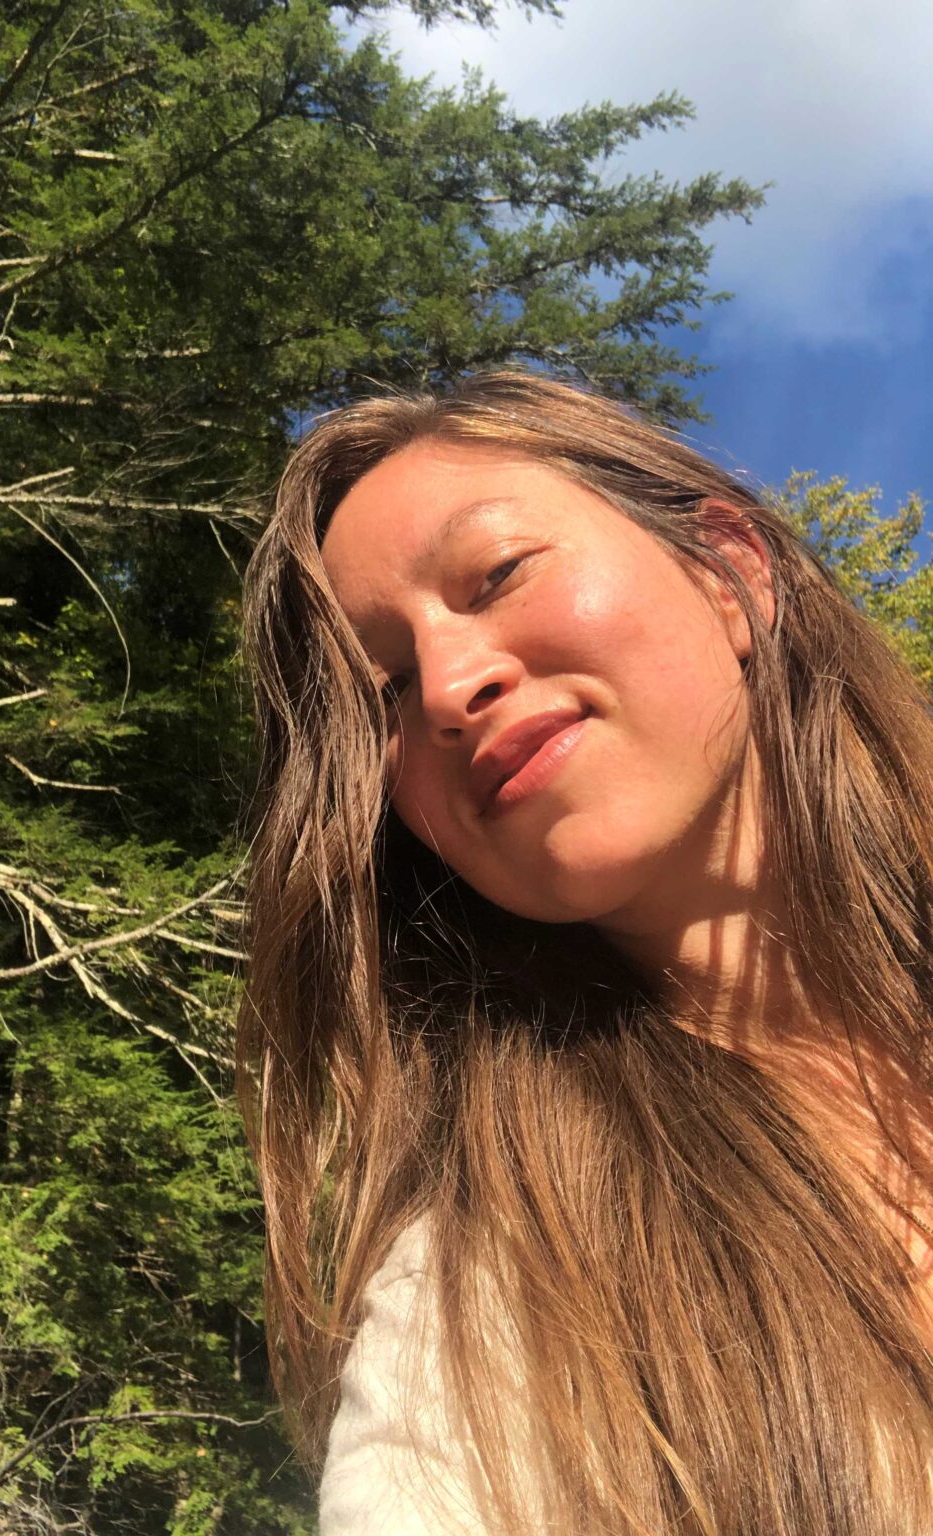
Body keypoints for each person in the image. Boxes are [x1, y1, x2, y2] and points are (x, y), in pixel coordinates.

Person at [238, 371, 933, 1535]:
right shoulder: (501, 1298)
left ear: (729, 570)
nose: (452, 688)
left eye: (496, 575)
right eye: (387, 691)